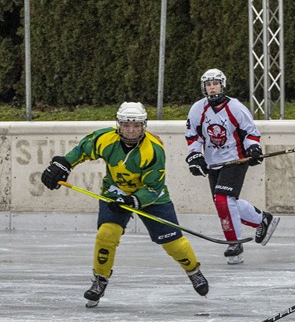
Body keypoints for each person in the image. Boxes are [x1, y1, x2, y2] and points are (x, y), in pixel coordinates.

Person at [39, 102, 209, 308]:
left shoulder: (154, 150)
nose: (131, 130)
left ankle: (193, 270)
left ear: (143, 125)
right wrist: (63, 164)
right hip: (115, 191)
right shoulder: (105, 138)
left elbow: (153, 187)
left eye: (136, 125)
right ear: (118, 125)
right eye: (126, 125)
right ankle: (100, 279)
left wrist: (134, 200)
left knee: (174, 243)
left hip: (151, 195)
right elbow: (82, 150)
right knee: (106, 235)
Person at [185, 68, 279, 265]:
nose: (212, 88)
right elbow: (193, 135)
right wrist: (195, 156)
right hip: (214, 163)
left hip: (235, 160)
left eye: (215, 83)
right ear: (204, 88)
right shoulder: (197, 109)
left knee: (223, 200)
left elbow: (250, 132)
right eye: (208, 84)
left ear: (222, 85)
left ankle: (234, 243)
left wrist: (253, 148)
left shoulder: (235, 108)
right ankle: (262, 219)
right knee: (227, 203)